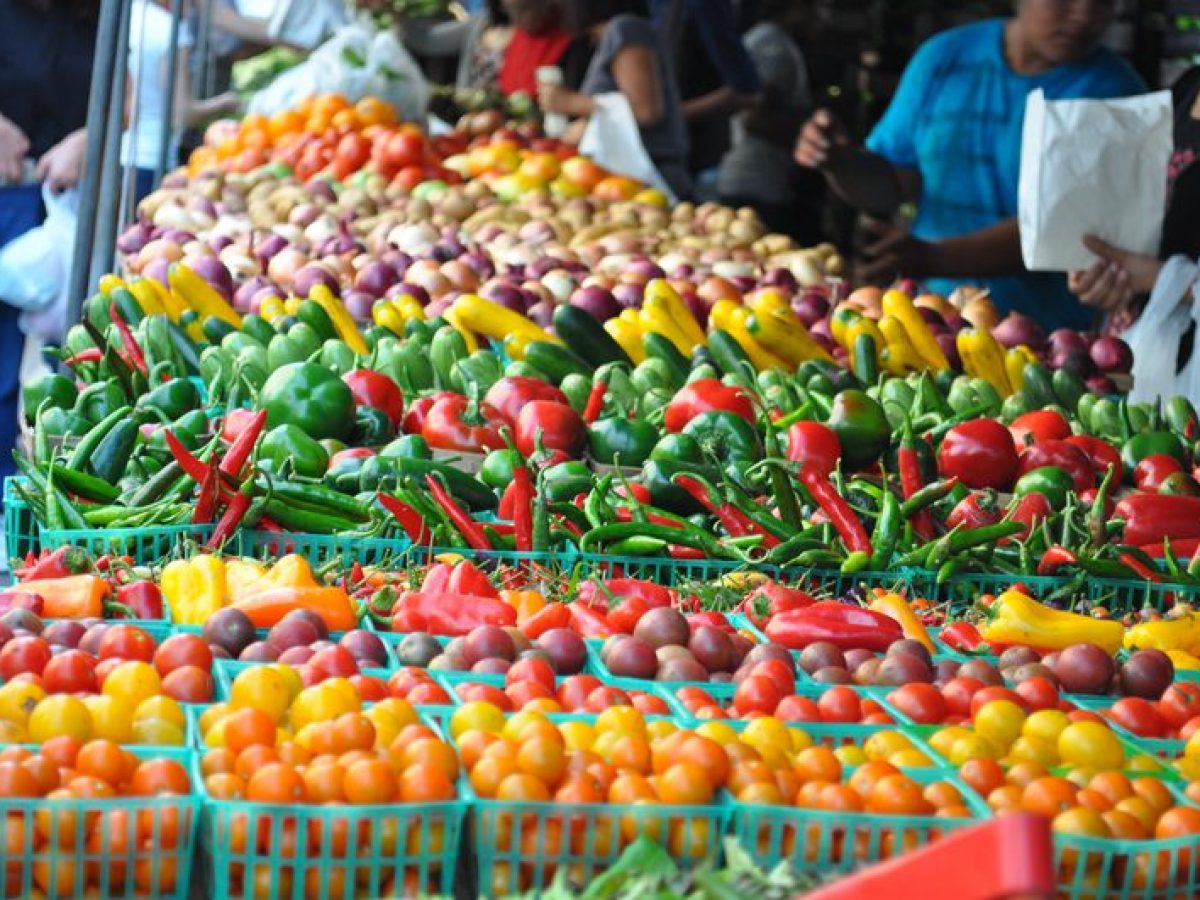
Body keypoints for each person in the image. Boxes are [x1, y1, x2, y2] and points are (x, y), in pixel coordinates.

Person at [795, 0, 1144, 331]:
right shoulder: (944, 58)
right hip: (929, 322)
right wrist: (839, 161)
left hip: (1047, 341)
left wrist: (934, 258)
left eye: (1103, 2)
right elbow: (890, 183)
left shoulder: (1116, 93)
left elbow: (1069, 226)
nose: (1083, 14)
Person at [0, 0, 97, 481]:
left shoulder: (89, 13)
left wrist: (85, 138)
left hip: (65, 204)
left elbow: (125, 97)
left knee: (58, 363)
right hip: (5, 197)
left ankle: (21, 489)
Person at [537, 0, 692, 200]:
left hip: (650, 178)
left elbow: (646, 111)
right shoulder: (609, 35)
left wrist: (571, 103)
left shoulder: (626, 29)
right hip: (627, 181)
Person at [716, 0, 820, 242]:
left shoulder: (763, 39)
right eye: (814, 7)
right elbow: (755, 118)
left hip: (754, 179)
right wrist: (810, 138)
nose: (821, 17)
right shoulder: (774, 48)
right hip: (758, 183)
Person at [125, 0, 240, 198]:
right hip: (154, 159)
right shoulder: (172, 31)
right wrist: (224, 103)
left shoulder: (132, 18)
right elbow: (181, 115)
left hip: (124, 154)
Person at [650, 0, 760, 181]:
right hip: (658, 156)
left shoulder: (703, 5)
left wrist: (672, 117)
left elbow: (747, 91)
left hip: (700, 160)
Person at [405, 0, 590, 96]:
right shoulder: (482, 25)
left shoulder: (572, 39)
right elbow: (430, 40)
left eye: (526, 9)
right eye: (514, 12)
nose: (523, 18)